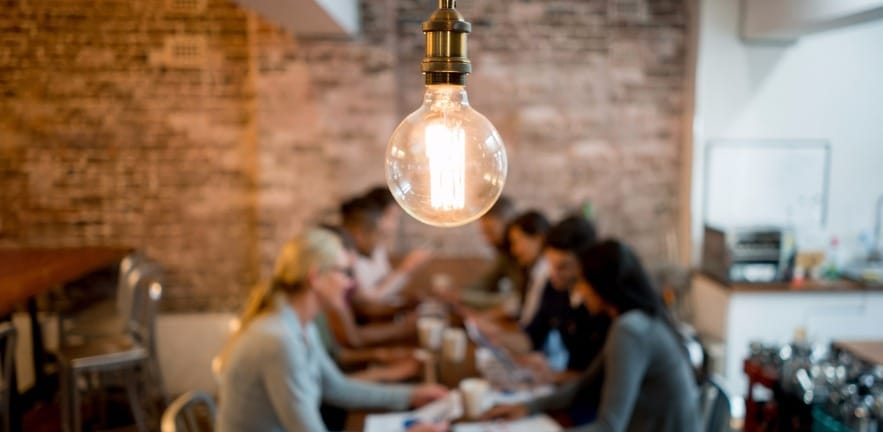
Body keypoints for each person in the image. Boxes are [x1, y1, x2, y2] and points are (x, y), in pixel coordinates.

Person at [216, 228, 447, 432]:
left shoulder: (300, 325)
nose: (351, 283)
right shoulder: (280, 340)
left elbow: (336, 387)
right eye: (345, 272)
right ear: (315, 277)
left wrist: (411, 395)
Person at [484, 240, 702, 432]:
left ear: (601, 285)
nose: (579, 290)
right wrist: (527, 408)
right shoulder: (637, 320)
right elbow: (585, 385)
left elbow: (608, 427)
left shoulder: (630, 330)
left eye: (583, 282)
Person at [341, 195, 431, 305]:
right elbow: (367, 301)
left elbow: (386, 285)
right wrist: (407, 267)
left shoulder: (377, 249)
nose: (392, 226)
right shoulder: (347, 258)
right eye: (391, 217)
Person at [458, 196, 523, 308]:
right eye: (484, 232)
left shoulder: (522, 257)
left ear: (509, 225)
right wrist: (459, 294)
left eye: (490, 231)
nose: (486, 239)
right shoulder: (504, 255)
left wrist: (463, 297)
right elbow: (487, 281)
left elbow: (515, 302)